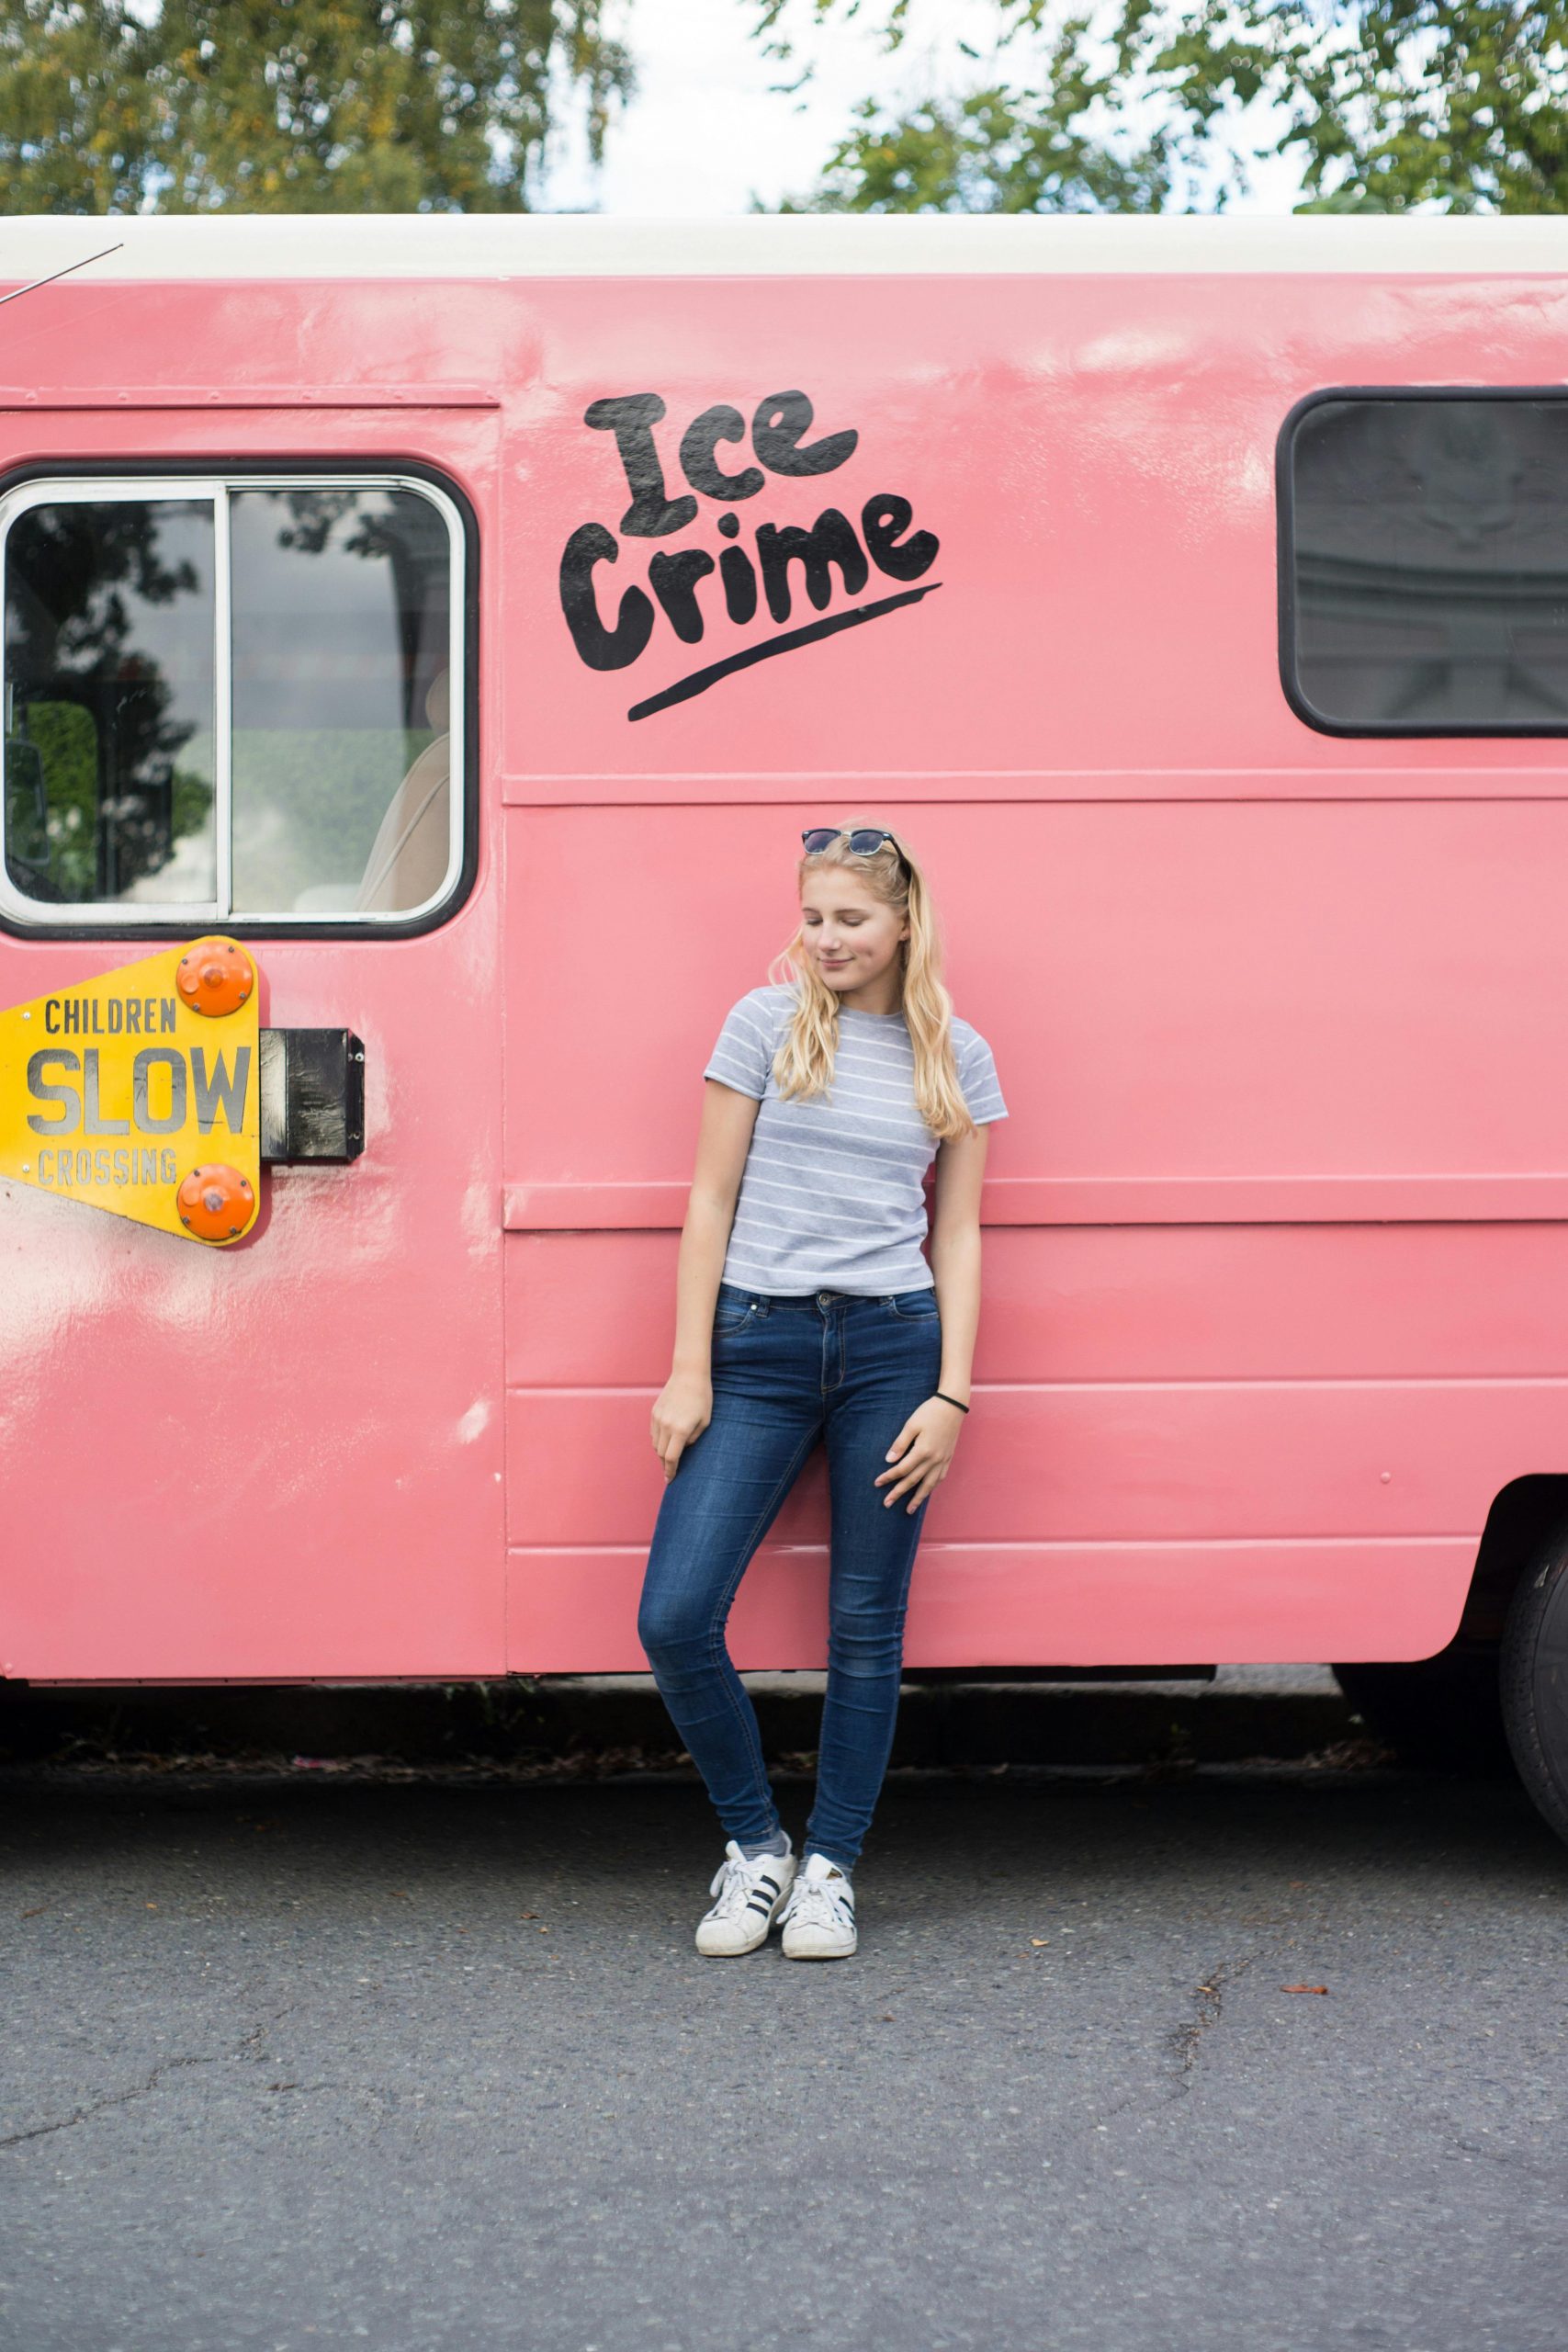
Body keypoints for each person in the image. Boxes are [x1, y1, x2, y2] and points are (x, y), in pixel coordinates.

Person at [637, 821, 1008, 1961]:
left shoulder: (956, 1052)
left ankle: (831, 1867)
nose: (827, 938)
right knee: (676, 1615)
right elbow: (709, 1199)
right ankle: (757, 1847)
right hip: (757, 1342)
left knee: (864, 1629)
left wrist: (951, 1396)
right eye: (812, 917)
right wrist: (688, 1367)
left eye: (850, 918)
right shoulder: (763, 1025)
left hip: (895, 1350)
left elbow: (959, 1229)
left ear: (903, 924)